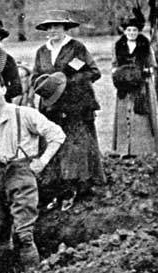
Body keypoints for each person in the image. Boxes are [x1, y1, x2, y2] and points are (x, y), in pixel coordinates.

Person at [0, 74, 65, 269]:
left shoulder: (25, 114)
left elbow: (57, 135)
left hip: (20, 173)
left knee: (24, 233)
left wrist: (43, 160)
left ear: (4, 89)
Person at [32, 10, 105, 211]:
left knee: (74, 148)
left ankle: (74, 189)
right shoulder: (42, 52)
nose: (53, 30)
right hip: (51, 108)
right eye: (50, 27)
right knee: (52, 146)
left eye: (57, 26)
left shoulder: (76, 48)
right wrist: (47, 86)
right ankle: (54, 191)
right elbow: (35, 78)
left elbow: (94, 72)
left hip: (76, 107)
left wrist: (68, 82)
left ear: (65, 28)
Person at [111, 8, 158, 157]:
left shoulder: (145, 45)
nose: (131, 33)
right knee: (124, 114)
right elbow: (114, 65)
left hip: (142, 85)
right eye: (129, 30)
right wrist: (119, 75)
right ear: (124, 31)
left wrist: (142, 74)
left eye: (134, 30)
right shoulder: (119, 45)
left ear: (138, 31)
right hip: (124, 85)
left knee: (141, 116)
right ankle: (123, 150)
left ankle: (142, 150)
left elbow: (152, 65)